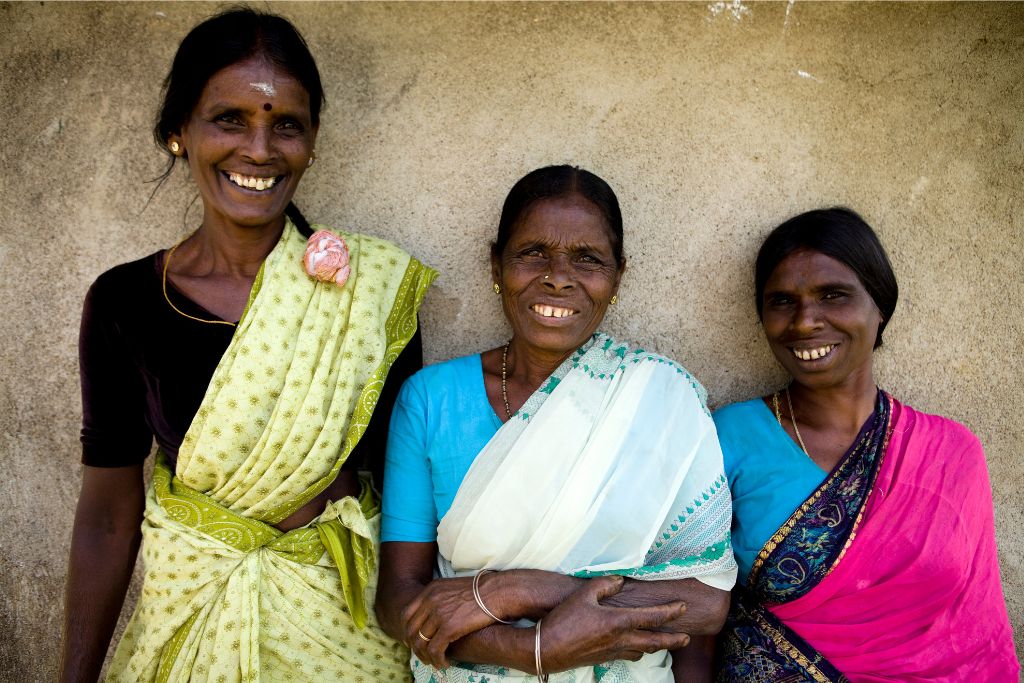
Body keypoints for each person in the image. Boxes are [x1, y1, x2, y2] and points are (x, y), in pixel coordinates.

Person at [60, 9, 435, 682]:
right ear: (179, 132)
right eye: (228, 118)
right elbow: (108, 518)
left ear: (312, 141)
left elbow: (409, 497)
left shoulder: (370, 292)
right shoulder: (125, 304)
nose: (259, 148)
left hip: (341, 642)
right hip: (192, 622)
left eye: (285, 124)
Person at [376, 165, 737, 683]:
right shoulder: (431, 400)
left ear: (618, 277)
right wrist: (530, 651)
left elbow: (704, 604)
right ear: (496, 264)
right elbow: (397, 602)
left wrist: (514, 590)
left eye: (588, 259)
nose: (559, 276)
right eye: (533, 253)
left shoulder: (663, 398)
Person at [713, 208, 1019, 681]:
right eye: (781, 301)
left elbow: (974, 631)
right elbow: (691, 607)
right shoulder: (728, 437)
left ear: (880, 305)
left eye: (833, 295)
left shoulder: (951, 454)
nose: (805, 321)